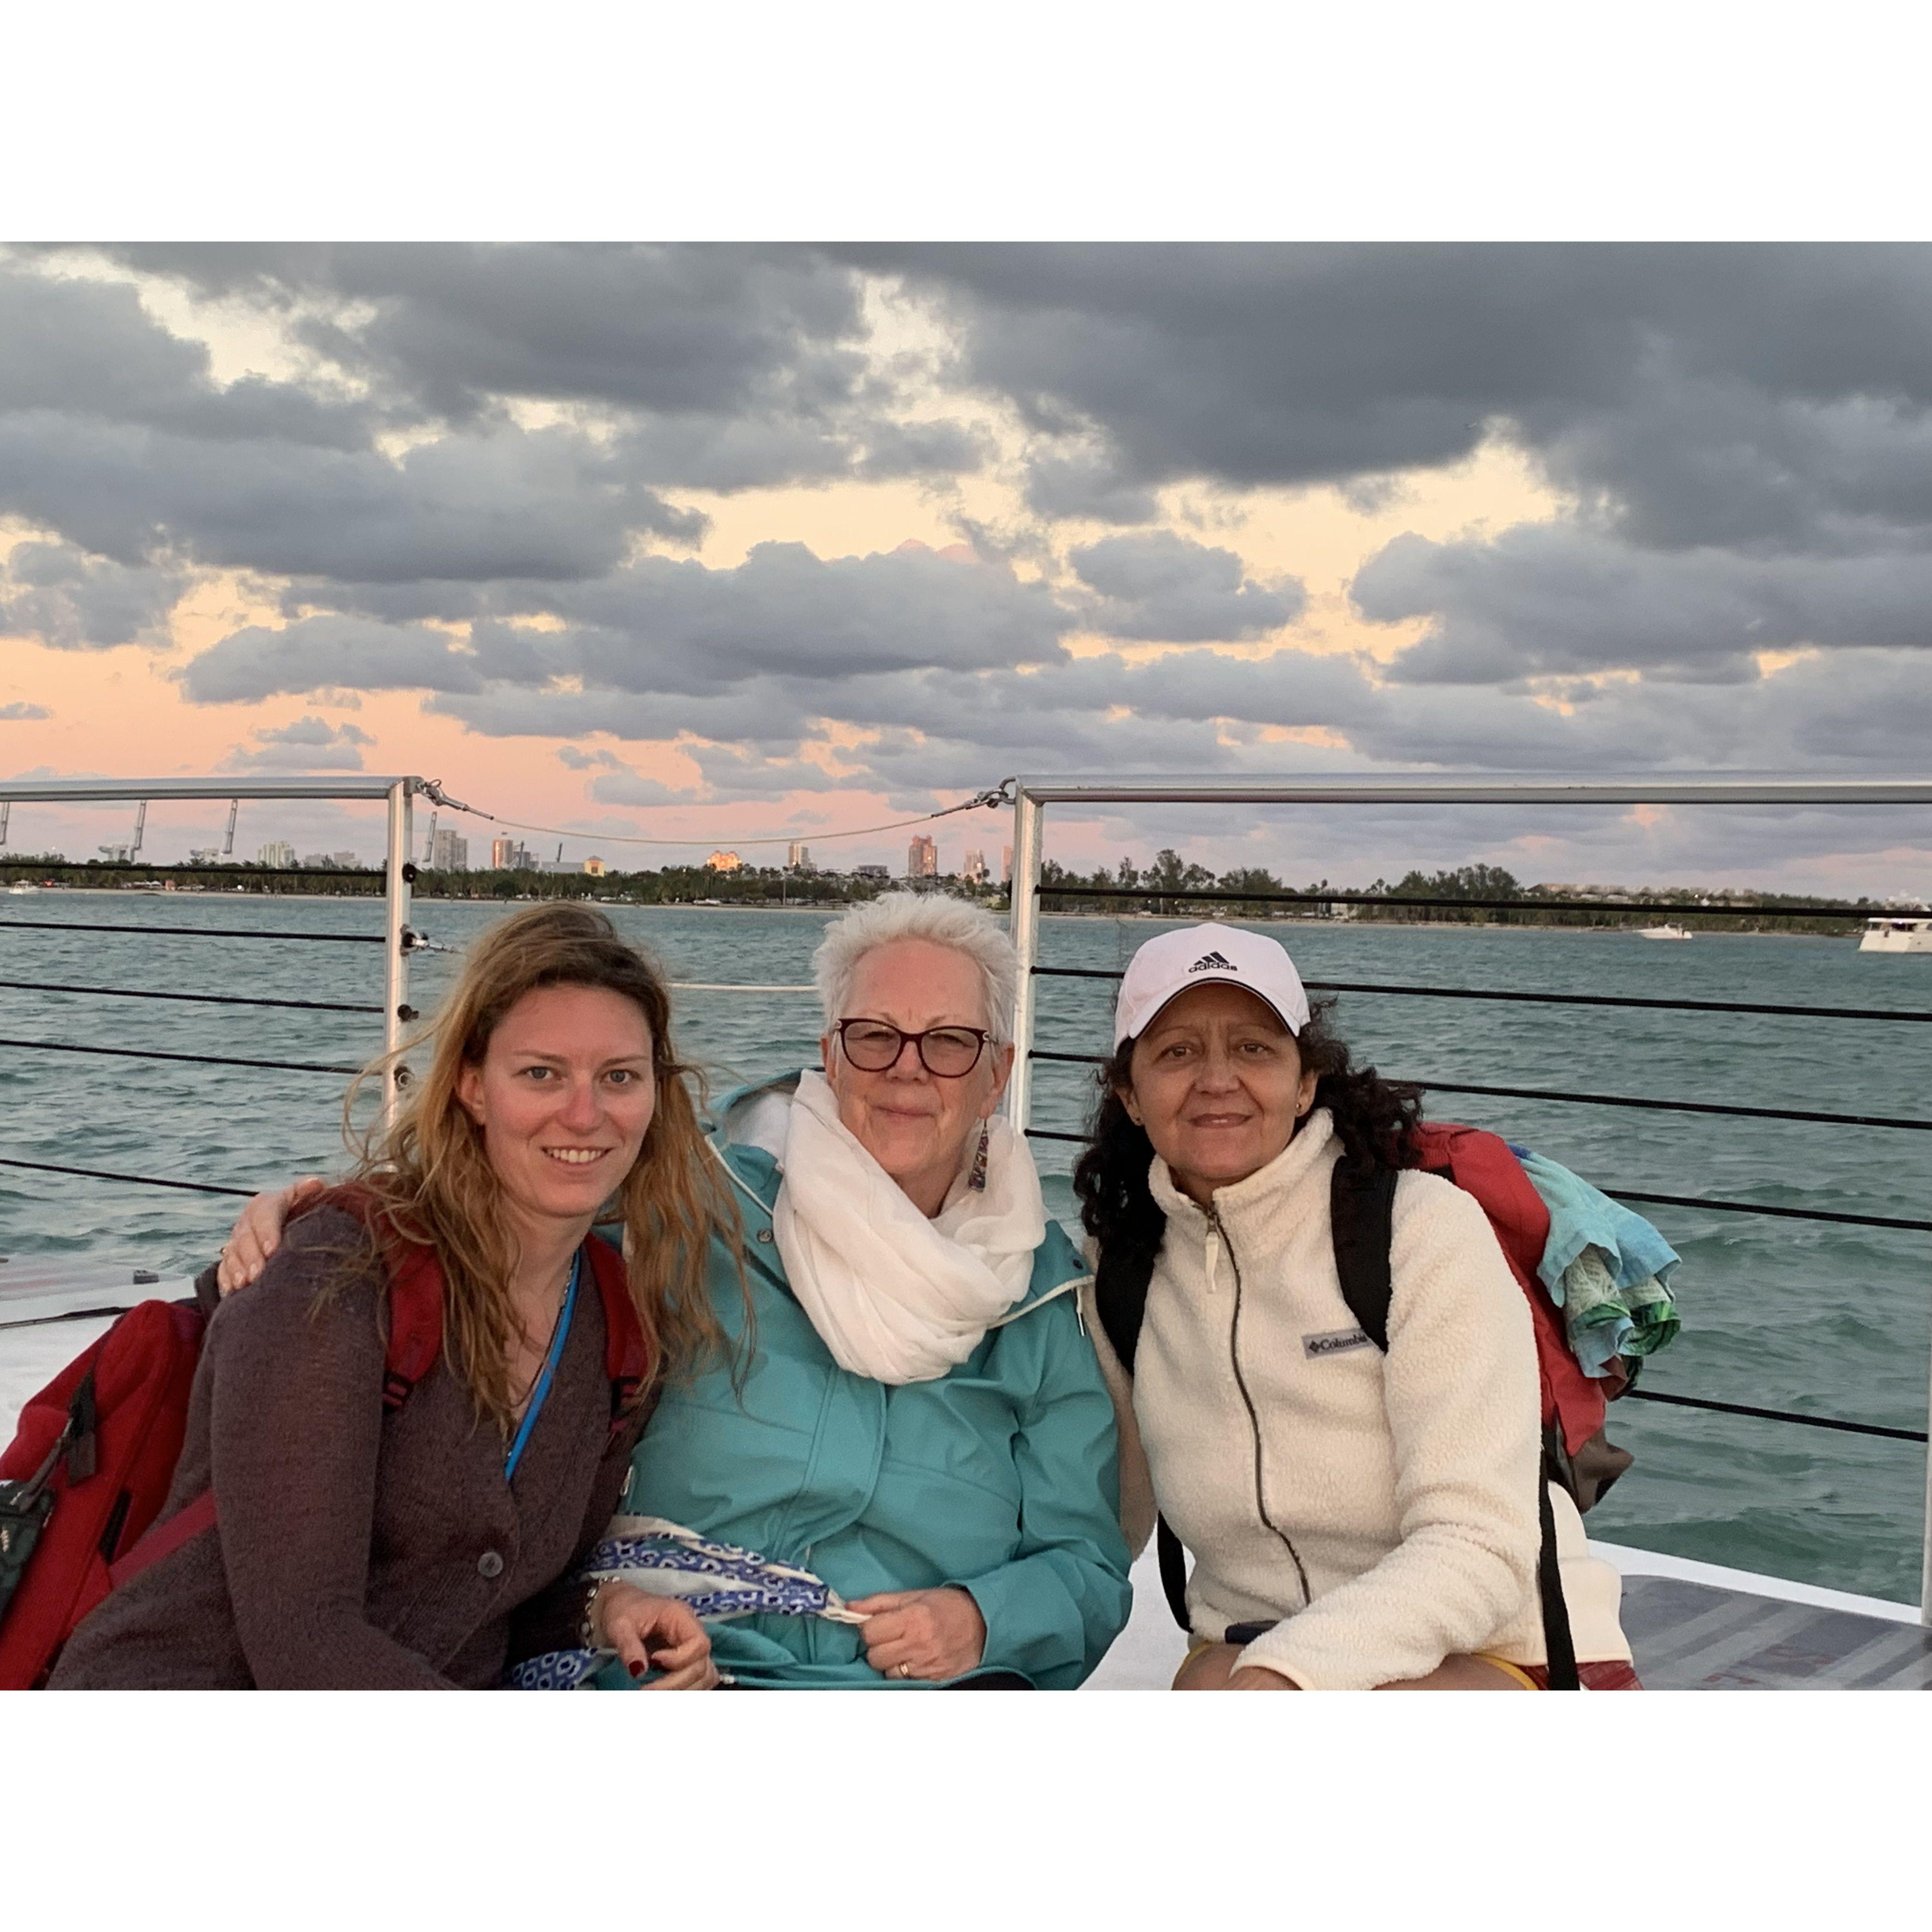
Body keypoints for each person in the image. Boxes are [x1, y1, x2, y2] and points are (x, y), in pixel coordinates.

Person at [216, 894, 1133, 1689]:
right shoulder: (696, 1207)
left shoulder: (1038, 1295)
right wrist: (334, 1213)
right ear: (830, 1054)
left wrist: (984, 1619)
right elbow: (521, 1194)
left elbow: (1089, 1567)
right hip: (668, 1674)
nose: (907, 1068)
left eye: (950, 1042)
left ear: (997, 1075)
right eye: (874, 1036)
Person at [51, 904, 729, 1689]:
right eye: (541, 1073)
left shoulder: (617, 1330)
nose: (585, 1114)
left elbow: (482, 1598)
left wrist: (604, 1608)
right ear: (473, 1087)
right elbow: (305, 1641)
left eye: (619, 1077)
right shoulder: (338, 1277)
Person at [1073, 922, 1637, 1690]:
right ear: (1129, 1094)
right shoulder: (1121, 1265)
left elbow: (1481, 1545)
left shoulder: (1416, 1229)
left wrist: (1289, 1675)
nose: (1217, 1079)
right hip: (1252, 1644)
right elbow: (1103, 1519)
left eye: (1253, 1048)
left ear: (1306, 1082)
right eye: (1177, 1052)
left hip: (1503, 1644)